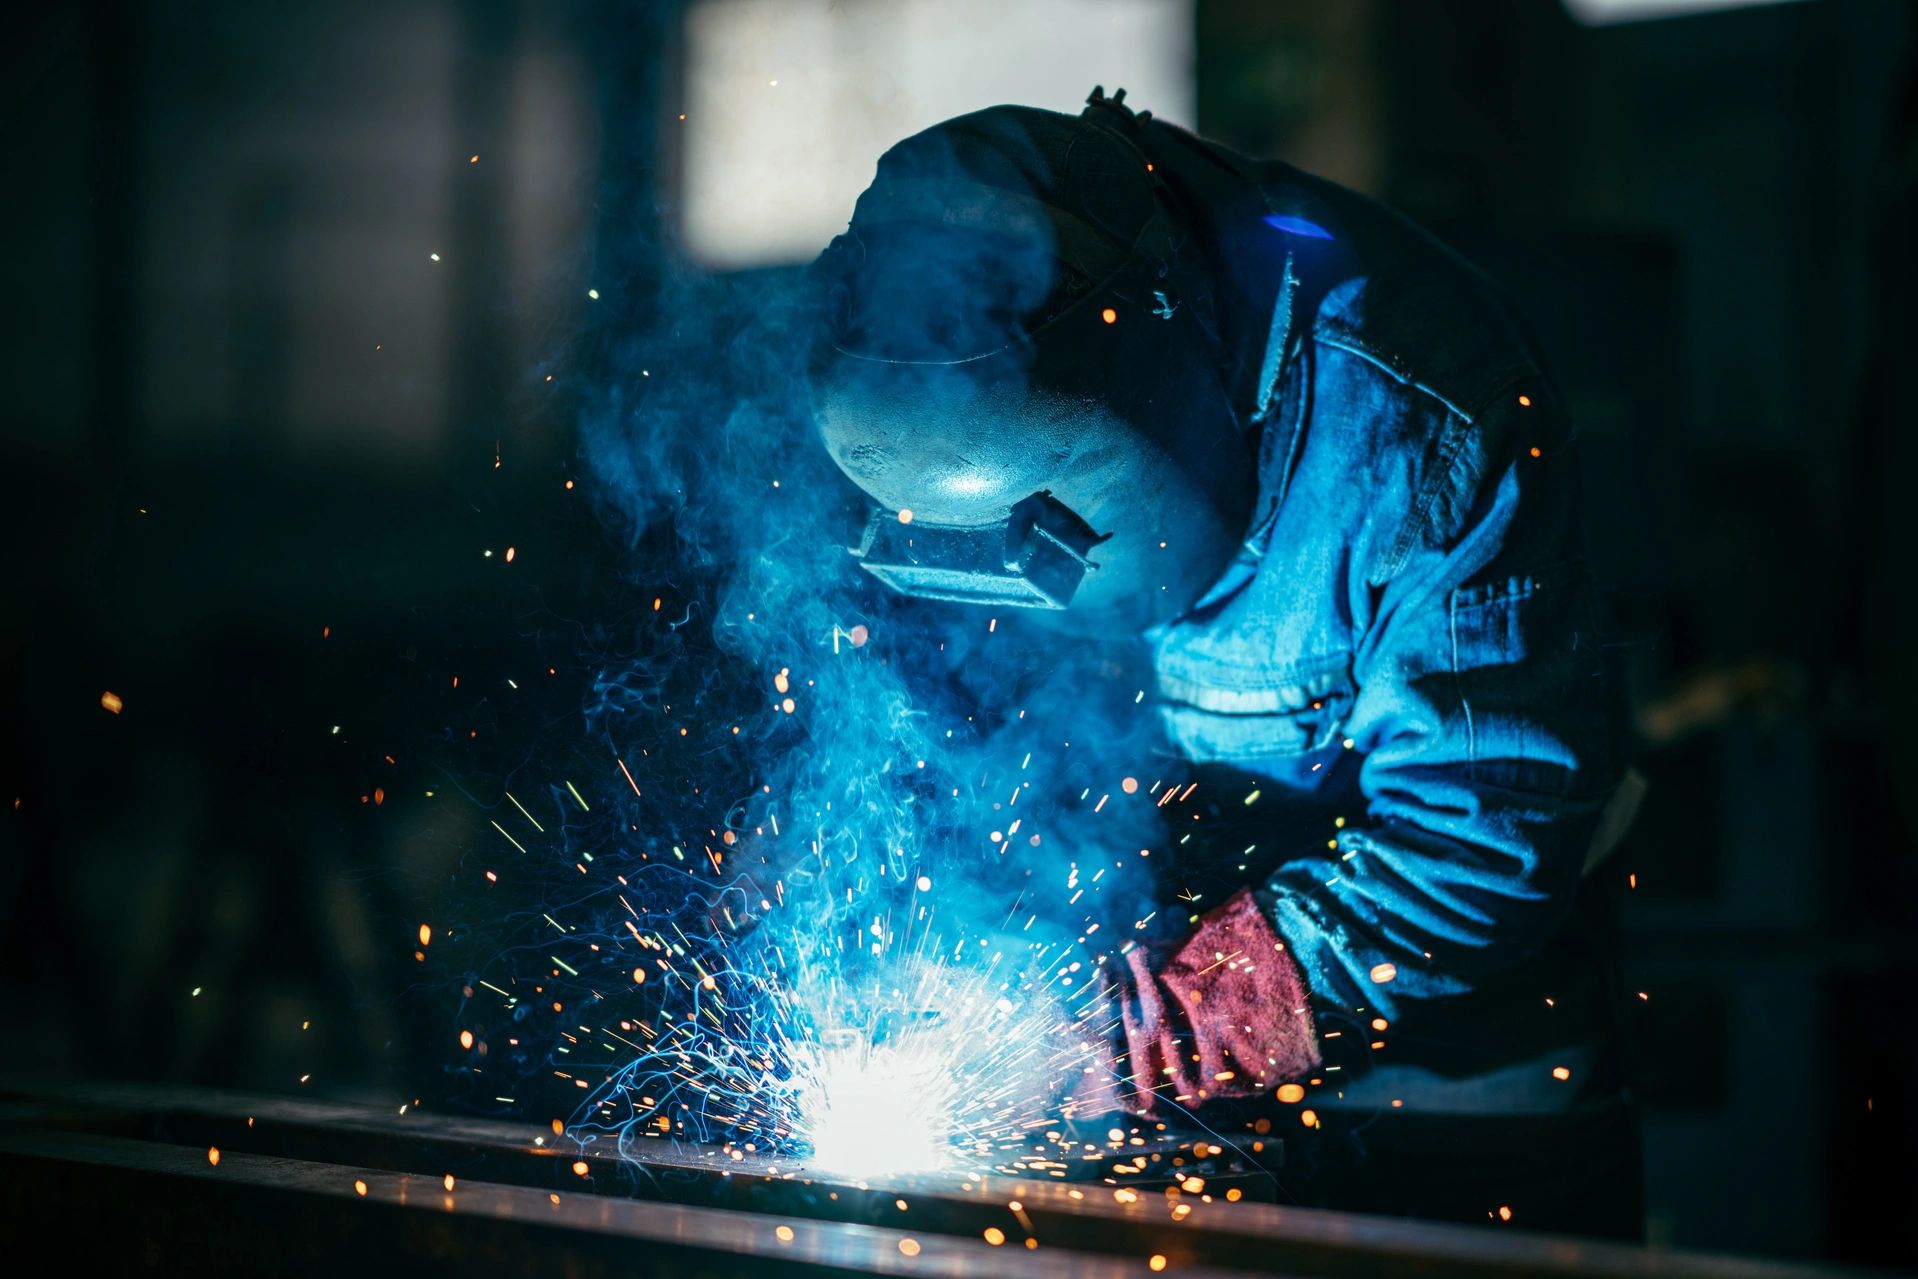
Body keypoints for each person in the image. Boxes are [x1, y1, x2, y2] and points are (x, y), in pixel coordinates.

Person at [807, 88, 1642, 1239]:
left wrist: (1158, 1025)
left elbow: (1487, 826)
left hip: (1448, 1077)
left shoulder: (1421, 410)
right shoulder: (899, 380)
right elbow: (900, 716)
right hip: (1109, 1084)